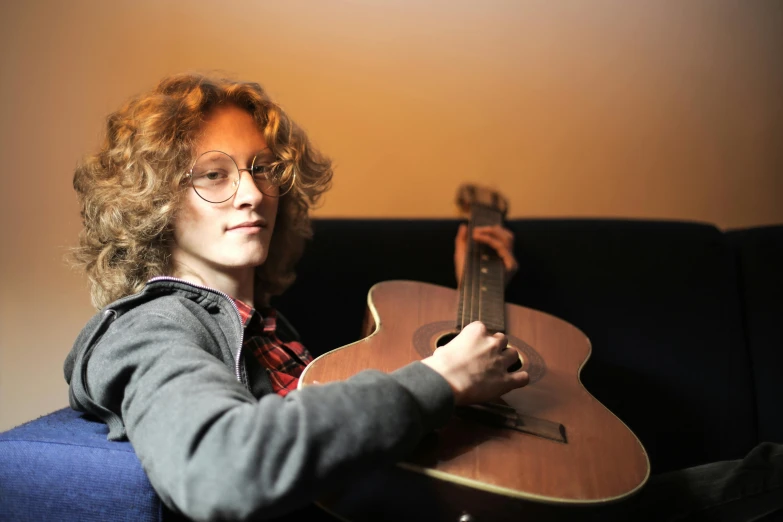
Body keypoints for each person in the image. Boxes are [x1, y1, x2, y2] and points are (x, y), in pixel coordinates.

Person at [64, 72, 529, 521]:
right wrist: (441, 381)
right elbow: (220, 467)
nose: (252, 193)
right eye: (213, 175)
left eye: (262, 168)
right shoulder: (149, 327)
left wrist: (474, 289)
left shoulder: (261, 326)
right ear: (154, 203)